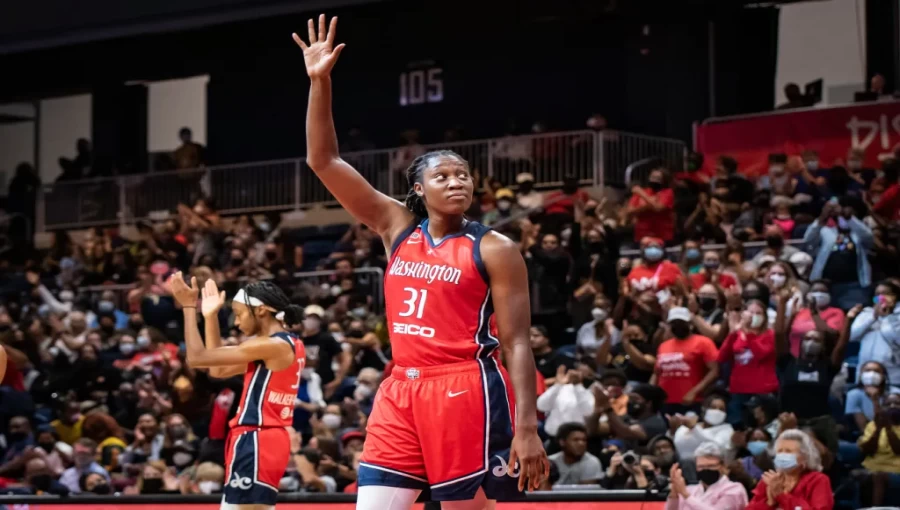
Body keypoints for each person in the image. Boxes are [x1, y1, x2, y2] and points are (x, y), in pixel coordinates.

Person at [294, 15, 547, 509]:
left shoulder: (494, 246)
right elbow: (322, 161)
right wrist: (319, 83)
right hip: (401, 389)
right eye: (444, 176)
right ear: (418, 188)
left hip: (466, 388)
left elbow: (517, 343)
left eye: (463, 175)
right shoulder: (396, 226)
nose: (457, 183)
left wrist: (528, 427)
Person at [169, 275, 306, 510]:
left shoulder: (271, 345)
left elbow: (196, 358)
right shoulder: (283, 345)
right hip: (259, 439)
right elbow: (218, 369)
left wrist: (189, 307)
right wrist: (210, 317)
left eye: (240, 313)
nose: (236, 322)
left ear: (261, 311)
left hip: (257, 438)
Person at [717, 300, 779, 422]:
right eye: (751, 312)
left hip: (763, 391)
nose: (754, 316)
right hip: (739, 389)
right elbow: (722, 357)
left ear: (764, 317)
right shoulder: (737, 333)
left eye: (758, 313)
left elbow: (761, 354)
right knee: (737, 426)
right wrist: (732, 333)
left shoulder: (770, 335)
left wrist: (748, 333)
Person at [652, 307, 719, 415]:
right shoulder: (664, 345)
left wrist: (694, 392)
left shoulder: (703, 342)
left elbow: (715, 371)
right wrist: (651, 394)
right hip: (664, 401)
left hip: (691, 400)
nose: (677, 326)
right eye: (674, 323)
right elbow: (656, 373)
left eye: (681, 322)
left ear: (690, 324)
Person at [745, 429, 833, 510]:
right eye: (779, 451)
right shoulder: (769, 480)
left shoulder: (818, 480)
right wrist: (769, 503)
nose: (782, 455)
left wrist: (781, 496)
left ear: (805, 457)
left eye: (788, 451)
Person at [667, 442, 748, 510]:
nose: (706, 470)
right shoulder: (691, 490)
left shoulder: (734, 489)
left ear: (722, 466)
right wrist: (674, 492)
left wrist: (686, 495)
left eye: (711, 466)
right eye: (701, 466)